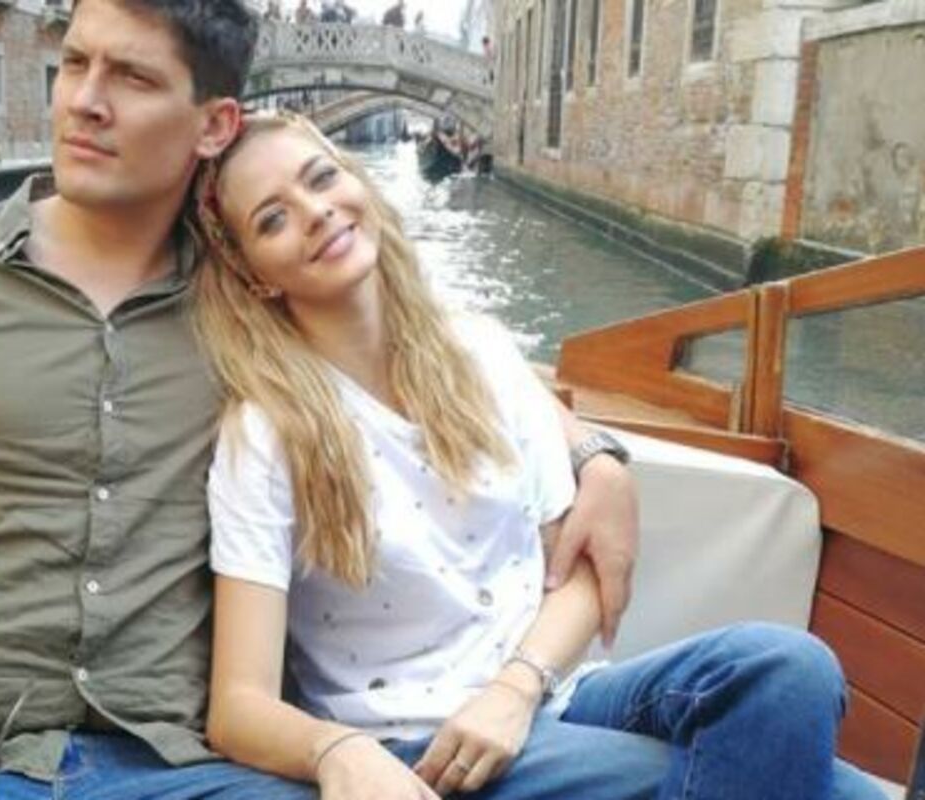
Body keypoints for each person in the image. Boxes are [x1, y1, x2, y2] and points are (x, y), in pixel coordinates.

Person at [0, 1, 643, 799]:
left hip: (170, 769)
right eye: (75, 63)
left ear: (214, 123)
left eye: (131, 78)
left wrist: (591, 453)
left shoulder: (257, 287)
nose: (84, 101)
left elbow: (431, 348)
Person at [189, 111, 887, 800]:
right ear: (255, 277)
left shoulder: (481, 353)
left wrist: (515, 690)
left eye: (321, 178)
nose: (315, 212)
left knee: (790, 671)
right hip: (422, 748)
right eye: (273, 219)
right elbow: (239, 706)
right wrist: (337, 752)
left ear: (358, 184)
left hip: (553, 698)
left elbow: (575, 571)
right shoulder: (266, 433)